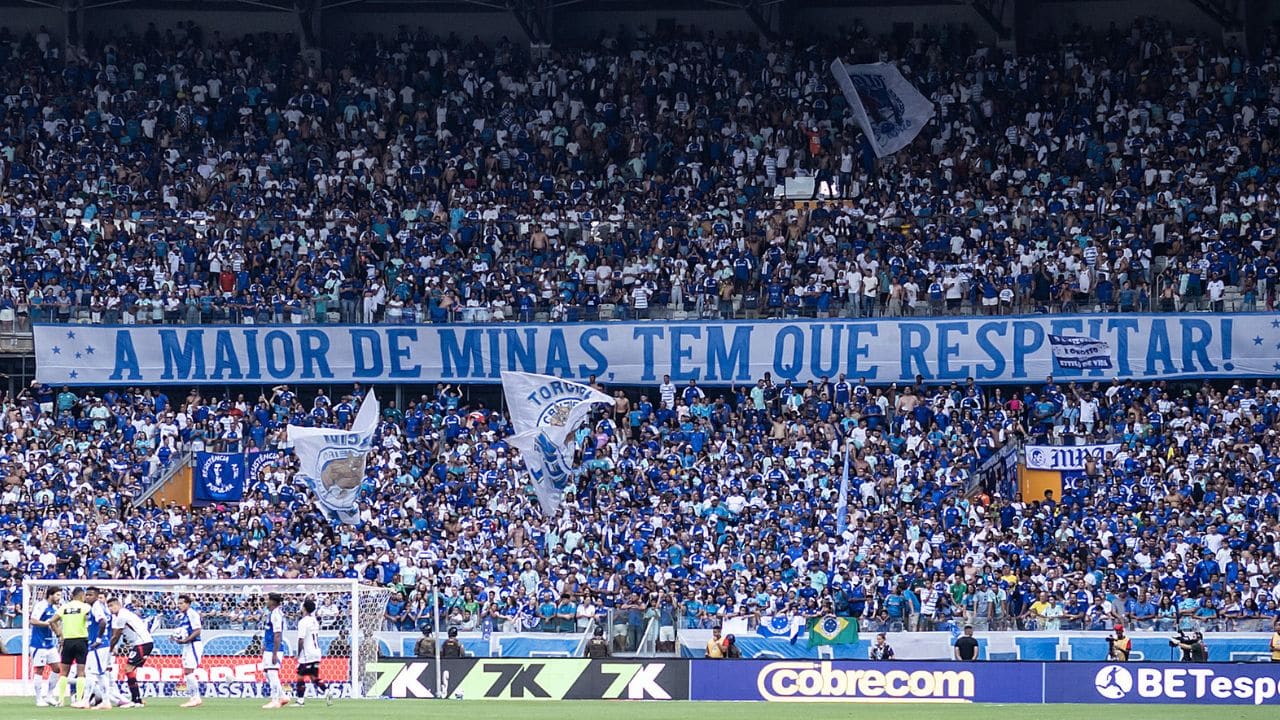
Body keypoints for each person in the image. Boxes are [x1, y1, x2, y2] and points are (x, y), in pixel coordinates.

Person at [108, 596, 154, 708]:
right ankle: (137, 699)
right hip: (142, 643)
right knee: (130, 670)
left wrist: (108, 650)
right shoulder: (122, 615)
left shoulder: (122, 615)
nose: (110, 608)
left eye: (112, 605)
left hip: (142, 643)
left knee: (128, 669)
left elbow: (116, 636)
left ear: (118, 605)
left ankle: (136, 701)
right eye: (108, 606)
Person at [52, 587, 91, 708]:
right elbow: (90, 621)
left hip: (68, 641)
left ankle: (61, 700)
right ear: (81, 595)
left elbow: (52, 621)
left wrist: (60, 634)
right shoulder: (86, 607)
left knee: (64, 672)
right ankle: (79, 699)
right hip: (81, 640)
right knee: (81, 672)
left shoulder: (64, 607)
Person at [294, 599, 335, 706]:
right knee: (313, 677)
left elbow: (301, 639)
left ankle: (300, 700)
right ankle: (327, 692)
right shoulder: (314, 621)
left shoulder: (303, 622)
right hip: (316, 652)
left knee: (300, 675)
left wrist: (298, 654)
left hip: (307, 653)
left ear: (304, 608)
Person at [29, 587, 61, 707]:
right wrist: (46, 623)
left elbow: (54, 624)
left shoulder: (54, 608)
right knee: (39, 670)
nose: (59, 598)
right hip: (38, 643)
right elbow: (33, 620)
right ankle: (38, 699)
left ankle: (49, 695)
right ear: (50, 595)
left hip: (50, 644)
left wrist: (59, 635)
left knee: (57, 668)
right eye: (57, 595)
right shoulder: (41, 605)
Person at [172, 594, 204, 708]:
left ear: (188, 604)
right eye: (178, 603)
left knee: (189, 671)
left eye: (181, 603)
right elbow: (183, 631)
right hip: (187, 645)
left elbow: (197, 630)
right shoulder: (183, 616)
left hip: (194, 644)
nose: (179, 605)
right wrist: (175, 637)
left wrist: (186, 640)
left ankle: (196, 698)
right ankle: (194, 697)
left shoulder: (192, 614)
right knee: (187, 671)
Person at [260, 592, 290, 708]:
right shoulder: (272, 613)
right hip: (269, 647)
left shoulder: (276, 615)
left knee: (272, 673)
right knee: (267, 673)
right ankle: (283, 696)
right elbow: (269, 631)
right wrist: (264, 645)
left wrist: (274, 653)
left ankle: (275, 700)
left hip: (274, 648)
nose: (266, 601)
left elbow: (277, 635)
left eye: (268, 600)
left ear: (273, 602)